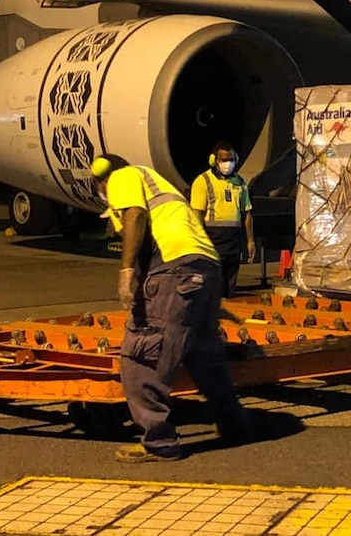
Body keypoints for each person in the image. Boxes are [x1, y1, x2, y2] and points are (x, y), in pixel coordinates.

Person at [91, 154, 251, 462]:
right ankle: (235, 425)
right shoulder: (162, 187)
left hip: (173, 270)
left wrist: (126, 271)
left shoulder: (123, 177)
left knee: (142, 355)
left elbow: (136, 216)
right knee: (204, 353)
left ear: (103, 179)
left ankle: (159, 442)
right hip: (207, 268)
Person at [189, 142, 255, 298]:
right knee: (212, 284)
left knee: (229, 285)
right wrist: (199, 241)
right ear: (214, 161)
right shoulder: (203, 181)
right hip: (212, 239)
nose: (228, 164)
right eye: (224, 160)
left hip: (233, 240)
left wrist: (250, 241)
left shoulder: (239, 182)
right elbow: (197, 214)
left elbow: (247, 214)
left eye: (231, 159)